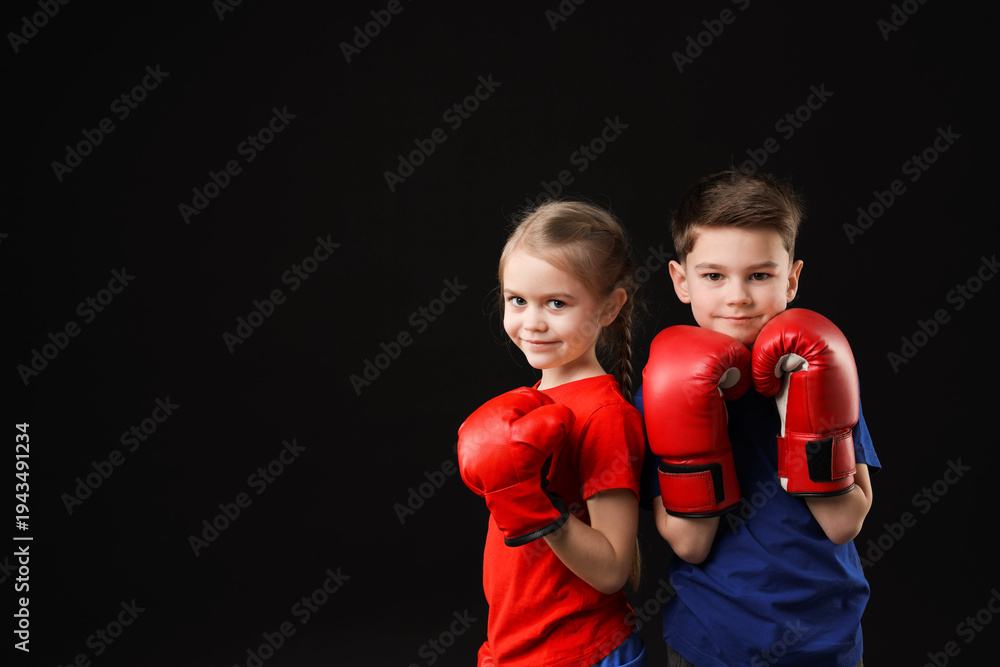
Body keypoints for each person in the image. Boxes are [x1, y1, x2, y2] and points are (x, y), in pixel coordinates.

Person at [637, 168, 881, 666]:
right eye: (713, 276)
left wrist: (800, 412)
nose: (738, 296)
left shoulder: (823, 368)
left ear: (791, 279)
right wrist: (697, 414)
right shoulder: (661, 389)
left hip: (826, 638)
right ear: (680, 281)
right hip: (710, 642)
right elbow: (690, 544)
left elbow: (844, 524)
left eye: (760, 275)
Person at [457, 200, 648, 667]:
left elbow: (611, 570)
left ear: (609, 307)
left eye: (557, 303)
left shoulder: (606, 415)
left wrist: (537, 514)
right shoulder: (521, 408)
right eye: (517, 300)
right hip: (514, 647)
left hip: (581, 652)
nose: (533, 322)